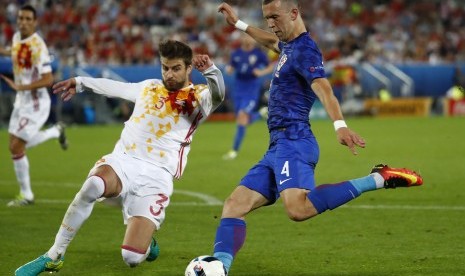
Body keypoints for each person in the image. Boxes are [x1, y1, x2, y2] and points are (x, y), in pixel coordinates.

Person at [213, 1, 423, 274]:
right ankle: (219, 267)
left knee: (297, 209)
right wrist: (239, 24)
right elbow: (268, 40)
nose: (271, 24)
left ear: (294, 14)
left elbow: (324, 87)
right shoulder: (288, 45)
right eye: (267, 18)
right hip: (277, 145)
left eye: (275, 17)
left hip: (295, 141)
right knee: (233, 205)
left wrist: (340, 125)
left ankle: (378, 179)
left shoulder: (305, 50)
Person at [14, 39, 225, 275]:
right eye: (165, 67)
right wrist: (80, 82)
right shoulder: (150, 87)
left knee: (132, 257)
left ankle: (146, 242)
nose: (169, 74)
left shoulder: (197, 97)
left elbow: (218, 95)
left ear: (188, 69)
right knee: (93, 184)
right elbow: (115, 87)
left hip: (157, 176)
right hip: (124, 160)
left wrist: (211, 71)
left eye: (176, 68)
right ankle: (54, 255)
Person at [0, 4, 68, 207]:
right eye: (21, 18)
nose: (23, 22)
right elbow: (16, 52)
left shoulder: (39, 46)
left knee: (16, 145)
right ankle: (56, 131)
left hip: (36, 103)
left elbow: (48, 79)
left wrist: (22, 85)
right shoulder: (16, 38)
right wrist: (3, 51)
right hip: (22, 101)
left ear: (35, 22)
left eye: (28, 19)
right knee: (15, 146)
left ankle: (27, 195)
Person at [222, 34, 274, 160]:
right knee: (242, 119)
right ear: (241, 39)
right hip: (238, 89)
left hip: (251, 89)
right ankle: (260, 114)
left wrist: (261, 72)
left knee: (242, 116)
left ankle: (234, 150)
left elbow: (270, 66)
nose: (247, 39)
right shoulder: (236, 53)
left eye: (249, 36)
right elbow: (231, 67)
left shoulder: (258, 54)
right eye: (245, 37)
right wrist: (229, 69)